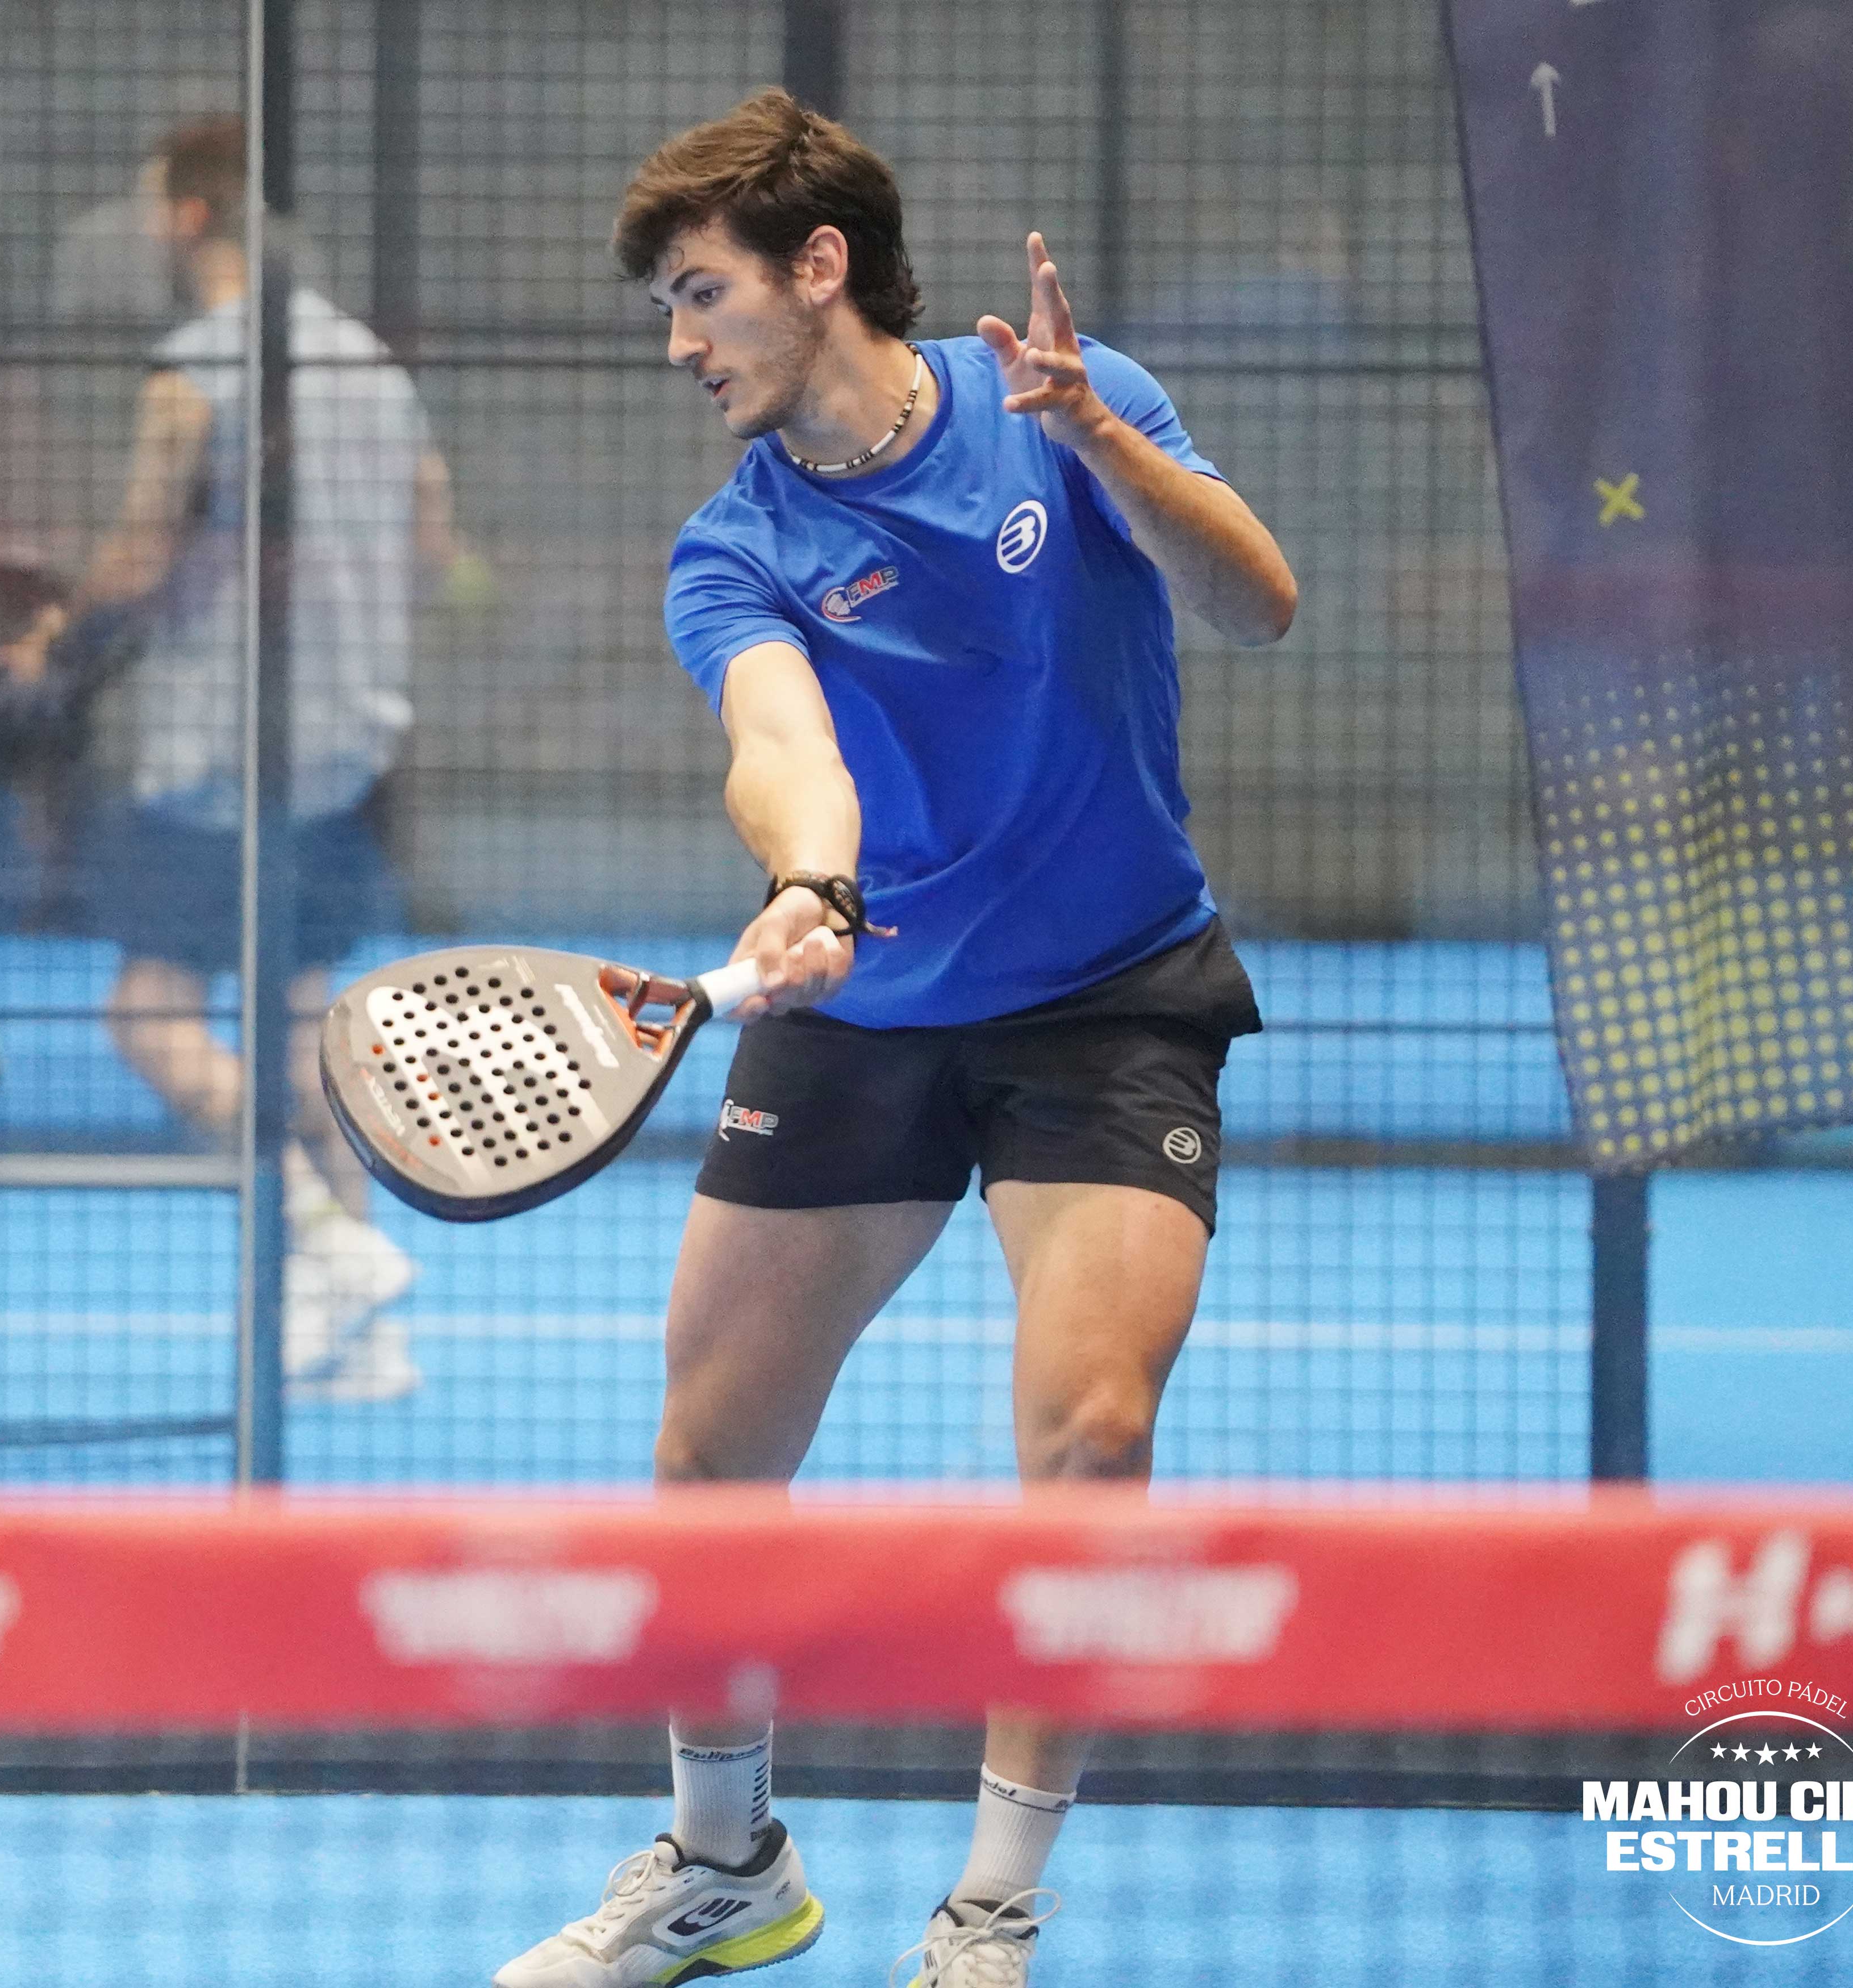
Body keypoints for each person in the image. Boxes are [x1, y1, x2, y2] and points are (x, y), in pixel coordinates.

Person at [493, 90, 1295, 1988]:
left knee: (1092, 1436)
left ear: (818, 268)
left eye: (702, 295)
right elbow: (785, 745)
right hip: (864, 999)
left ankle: (993, 1906)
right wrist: (815, 882)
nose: (681, 345)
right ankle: (726, 1864)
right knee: (709, 1455)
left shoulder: (1065, 406)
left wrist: (1102, 440)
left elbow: (1258, 605)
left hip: (1108, 994)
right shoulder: (735, 547)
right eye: (669, 310)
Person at [11, 115, 461, 1401]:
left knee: (148, 1016)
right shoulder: (370, 365)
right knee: (307, 1020)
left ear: (189, 215)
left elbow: (145, 551)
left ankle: (321, 1237)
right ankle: (367, 1332)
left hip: (222, 750)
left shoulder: (196, 370)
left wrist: (55, 643)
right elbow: (434, 543)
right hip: (349, 751)